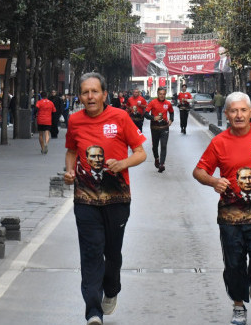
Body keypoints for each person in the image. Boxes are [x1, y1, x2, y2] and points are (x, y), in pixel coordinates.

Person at [192, 91, 251, 325]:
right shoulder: (219, 142)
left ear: (250, 113)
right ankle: (238, 306)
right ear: (226, 114)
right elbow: (199, 171)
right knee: (234, 264)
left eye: (243, 110)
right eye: (233, 111)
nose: (239, 115)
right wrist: (214, 181)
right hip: (231, 216)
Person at [63, 72, 146, 325]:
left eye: (94, 91)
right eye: (85, 92)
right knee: (90, 252)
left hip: (117, 199)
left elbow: (141, 153)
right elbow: (71, 151)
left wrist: (122, 164)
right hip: (85, 199)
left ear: (104, 94)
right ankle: (93, 311)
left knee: (112, 253)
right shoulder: (75, 121)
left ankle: (112, 289)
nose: (90, 96)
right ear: (80, 96)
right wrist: (69, 171)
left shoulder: (120, 117)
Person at [144, 86, 174, 173]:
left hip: (164, 127)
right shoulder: (152, 102)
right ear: (157, 94)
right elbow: (145, 114)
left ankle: (162, 164)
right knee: (155, 146)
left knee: (164, 146)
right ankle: (156, 158)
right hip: (155, 127)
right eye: (160, 94)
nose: (162, 96)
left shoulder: (168, 103)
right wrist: (153, 118)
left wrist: (171, 120)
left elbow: (171, 112)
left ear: (165, 94)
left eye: (163, 94)